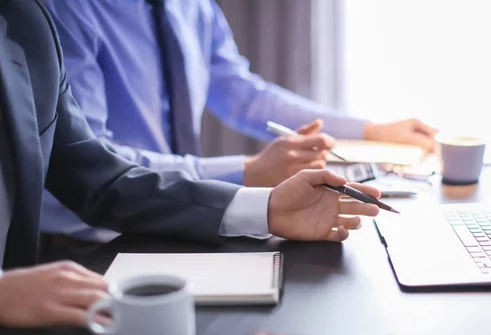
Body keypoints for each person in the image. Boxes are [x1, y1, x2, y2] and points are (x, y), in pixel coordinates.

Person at [0, 0, 380, 328]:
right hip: (73, 252)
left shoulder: (25, 19)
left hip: (142, 237)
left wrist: (265, 207)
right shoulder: (63, 9)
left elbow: (99, 176)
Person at [42, 0, 438, 245]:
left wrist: (370, 131)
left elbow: (242, 94)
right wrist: (246, 171)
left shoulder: (190, 5)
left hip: (171, 215)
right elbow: (94, 162)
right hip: (83, 240)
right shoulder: (62, 10)